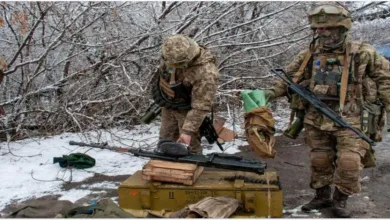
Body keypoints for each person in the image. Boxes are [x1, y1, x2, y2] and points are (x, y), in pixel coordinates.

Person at [263, 3, 390, 218]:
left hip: (352, 118)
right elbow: (290, 78)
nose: (322, 33)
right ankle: (322, 196)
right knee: (319, 159)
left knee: (348, 162)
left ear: (342, 29)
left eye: (327, 29)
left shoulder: (363, 53)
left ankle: (340, 200)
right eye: (318, 29)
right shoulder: (309, 54)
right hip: (316, 117)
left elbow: (385, 80)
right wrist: (268, 95)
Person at [153, 34, 219, 154]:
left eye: (176, 64)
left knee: (188, 146)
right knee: (165, 141)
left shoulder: (206, 73)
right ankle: (166, 168)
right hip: (169, 104)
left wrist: (187, 131)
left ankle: (191, 167)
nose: (171, 65)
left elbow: (200, 106)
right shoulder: (170, 50)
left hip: (188, 111)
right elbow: (163, 73)